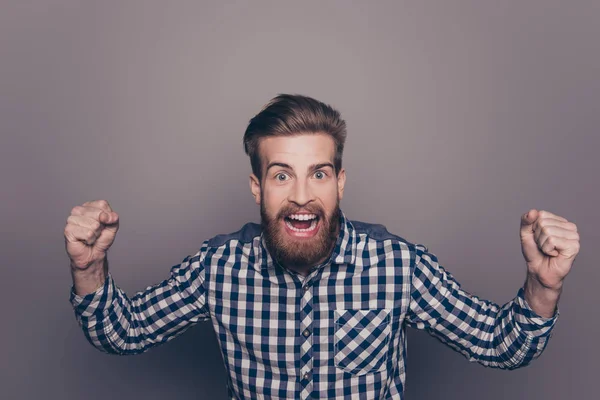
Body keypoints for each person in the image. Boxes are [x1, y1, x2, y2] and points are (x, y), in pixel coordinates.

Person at [66, 94, 580, 400]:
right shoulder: (217, 268)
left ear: (340, 183)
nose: (302, 196)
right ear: (256, 187)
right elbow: (122, 333)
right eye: (281, 174)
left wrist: (542, 285)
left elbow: (501, 344)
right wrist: (89, 266)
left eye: (319, 173)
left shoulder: (398, 265)